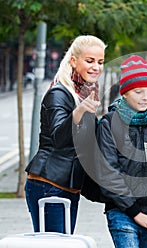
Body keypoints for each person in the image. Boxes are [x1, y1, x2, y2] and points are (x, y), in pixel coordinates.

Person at [88, 55, 147, 248]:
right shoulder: (110, 124)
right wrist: (135, 212)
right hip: (121, 211)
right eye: (138, 92)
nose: (145, 97)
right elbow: (108, 173)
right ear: (125, 93)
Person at [24, 35, 106, 234]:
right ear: (73, 61)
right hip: (50, 185)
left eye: (100, 62)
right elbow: (59, 140)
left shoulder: (83, 94)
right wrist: (78, 113)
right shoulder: (59, 93)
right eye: (90, 61)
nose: (96, 67)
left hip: (68, 186)